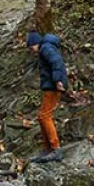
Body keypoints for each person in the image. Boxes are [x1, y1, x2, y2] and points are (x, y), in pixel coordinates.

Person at [26, 30, 68, 163]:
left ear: (35, 43)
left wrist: (57, 80)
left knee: (44, 116)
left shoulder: (45, 48)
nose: (31, 50)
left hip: (53, 86)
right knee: (41, 116)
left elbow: (57, 62)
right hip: (51, 86)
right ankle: (47, 149)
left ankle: (55, 148)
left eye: (31, 46)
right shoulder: (46, 47)